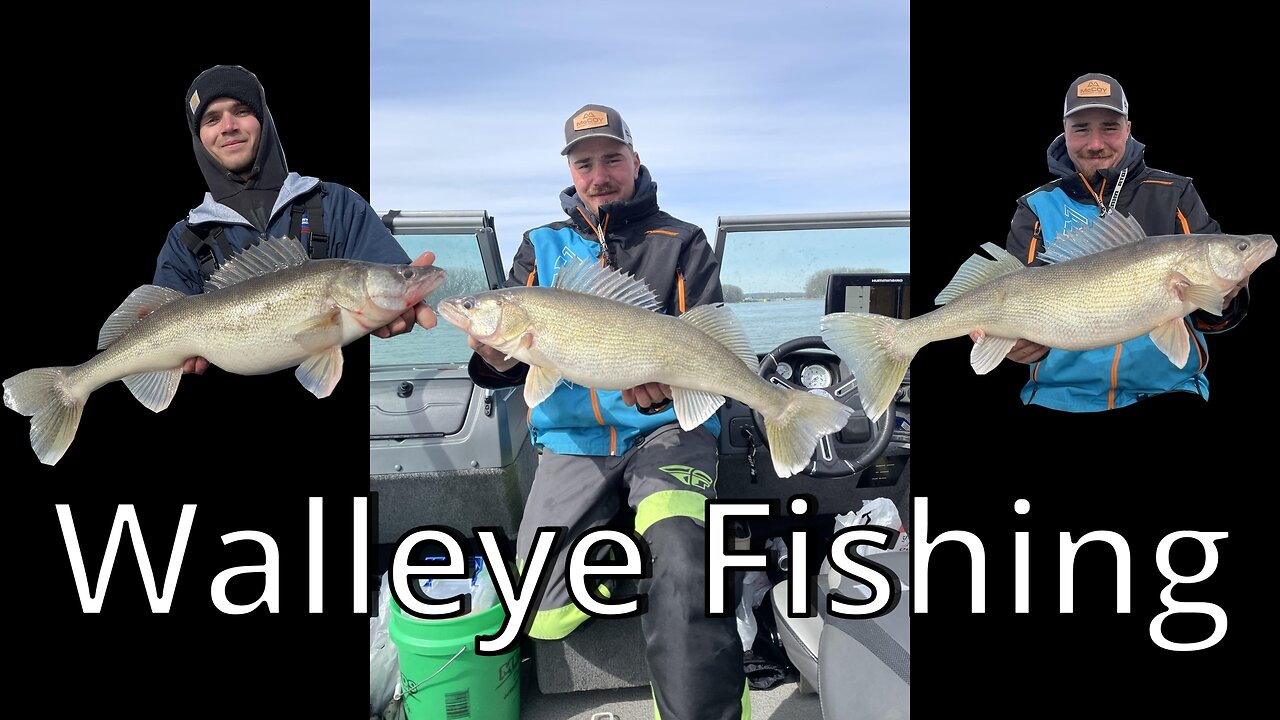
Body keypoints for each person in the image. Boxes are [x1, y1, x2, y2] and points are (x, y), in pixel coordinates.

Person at [467, 104, 748, 719]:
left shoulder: (684, 241)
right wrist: (491, 354)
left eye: (611, 159)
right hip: (571, 440)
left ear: (635, 160)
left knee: (682, 551)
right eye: (584, 161)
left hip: (666, 430)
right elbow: (512, 372)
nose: (599, 174)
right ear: (570, 169)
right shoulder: (537, 247)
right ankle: (613, 542)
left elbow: (707, 348)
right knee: (537, 604)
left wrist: (671, 388)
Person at [154, 65, 437, 373]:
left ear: (264, 120)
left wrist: (405, 291)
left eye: (242, 110)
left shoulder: (338, 203)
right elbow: (156, 320)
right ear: (199, 138)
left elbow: (382, 278)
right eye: (212, 119)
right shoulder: (185, 238)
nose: (228, 126)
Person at [1000, 72, 1255, 412]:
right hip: (1058, 399)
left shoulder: (1176, 194)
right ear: (1064, 131)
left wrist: (1226, 298)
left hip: (1170, 390)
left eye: (1109, 127)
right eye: (1081, 128)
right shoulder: (1034, 207)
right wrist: (1017, 346)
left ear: (1128, 128)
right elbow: (1008, 297)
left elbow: (1215, 321)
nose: (1095, 143)